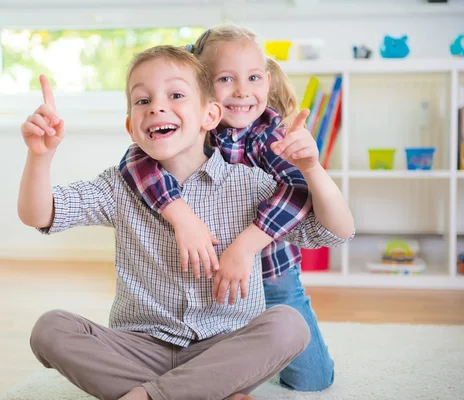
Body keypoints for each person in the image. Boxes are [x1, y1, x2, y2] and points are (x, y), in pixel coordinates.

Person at [18, 45, 346, 400]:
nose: (157, 106)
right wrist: (41, 157)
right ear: (131, 126)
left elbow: (337, 230)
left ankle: (148, 395)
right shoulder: (118, 186)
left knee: (289, 324)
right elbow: (40, 214)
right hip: (141, 347)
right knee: (50, 329)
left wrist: (311, 169)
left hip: (222, 349)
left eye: (175, 94)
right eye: (142, 101)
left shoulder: (251, 184)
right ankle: (205, 392)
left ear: (210, 115)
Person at [118, 25, 355, 391]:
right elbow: (136, 160)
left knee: (313, 379)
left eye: (254, 77)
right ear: (201, 85)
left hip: (273, 276)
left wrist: (245, 247)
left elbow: (299, 190)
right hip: (210, 283)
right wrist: (179, 213)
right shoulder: (189, 125)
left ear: (268, 80)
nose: (243, 91)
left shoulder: (270, 134)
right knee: (200, 356)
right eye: (226, 78)